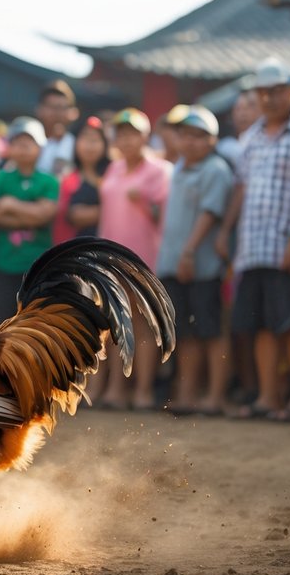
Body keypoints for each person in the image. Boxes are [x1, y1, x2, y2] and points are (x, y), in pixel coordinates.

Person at [219, 58, 290, 422]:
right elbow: (241, 187)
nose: (269, 98)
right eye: (263, 92)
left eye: (276, 91)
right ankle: (269, 398)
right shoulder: (250, 136)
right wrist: (226, 231)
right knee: (262, 324)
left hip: (287, 241)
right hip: (253, 245)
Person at [156, 106, 234, 417]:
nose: (191, 142)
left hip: (201, 266)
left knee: (210, 332)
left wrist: (188, 251)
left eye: (199, 136)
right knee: (186, 333)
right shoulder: (179, 168)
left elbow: (209, 213)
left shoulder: (215, 170)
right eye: (186, 135)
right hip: (176, 264)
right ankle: (187, 395)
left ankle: (215, 397)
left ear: (213, 141)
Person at [98, 108, 173, 410]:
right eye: (121, 134)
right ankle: (116, 389)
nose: (127, 139)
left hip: (144, 260)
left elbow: (165, 217)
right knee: (115, 324)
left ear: (145, 136)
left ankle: (142, 390)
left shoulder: (160, 170)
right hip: (111, 258)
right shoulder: (113, 169)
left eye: (133, 133)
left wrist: (143, 202)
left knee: (142, 327)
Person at [0, 117, 59, 322]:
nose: (22, 148)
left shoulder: (48, 181)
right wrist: (30, 215)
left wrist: (10, 205)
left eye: (29, 142)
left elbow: (45, 215)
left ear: (40, 147)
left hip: (38, 266)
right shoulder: (1, 178)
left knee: (35, 323)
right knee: (1, 323)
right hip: (2, 264)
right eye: (17, 142)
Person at [55, 115, 108, 243]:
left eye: (95, 139)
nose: (90, 145)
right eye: (85, 139)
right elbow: (73, 216)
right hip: (78, 249)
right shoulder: (67, 180)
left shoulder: (113, 174)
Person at [36, 80, 79, 177]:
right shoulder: (28, 142)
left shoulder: (79, 146)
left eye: (62, 107)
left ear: (74, 113)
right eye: (52, 107)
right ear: (39, 110)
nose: (57, 113)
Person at [217, 89, 263, 168]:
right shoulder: (224, 145)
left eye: (248, 108)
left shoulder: (266, 141)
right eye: (238, 109)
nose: (243, 114)